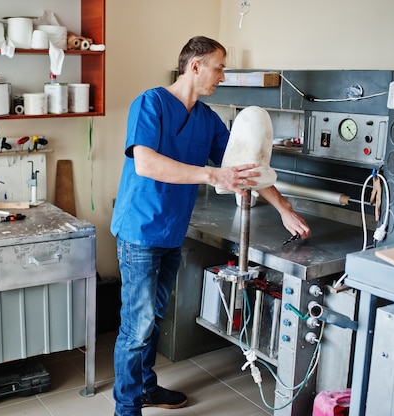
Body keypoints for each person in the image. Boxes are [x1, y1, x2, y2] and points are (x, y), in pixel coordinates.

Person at [109, 36, 311, 416]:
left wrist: (284, 208)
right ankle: (126, 407)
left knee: (153, 318)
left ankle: (146, 388)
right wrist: (211, 174)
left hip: (171, 231)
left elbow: (246, 168)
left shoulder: (207, 120)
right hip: (140, 230)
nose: (223, 75)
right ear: (195, 66)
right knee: (137, 327)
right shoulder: (150, 103)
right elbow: (146, 164)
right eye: (219, 67)